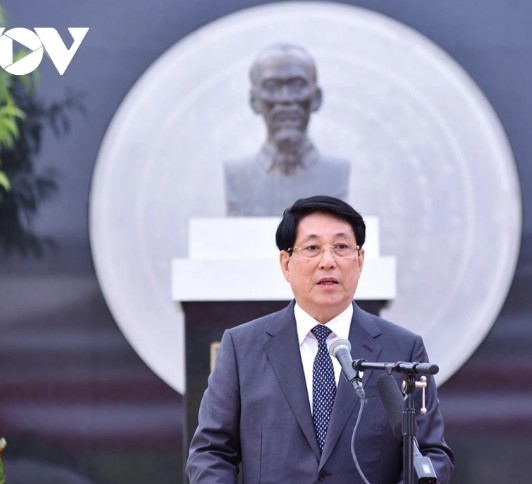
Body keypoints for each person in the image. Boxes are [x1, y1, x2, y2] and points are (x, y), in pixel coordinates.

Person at [186, 195, 453, 483]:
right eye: (312, 248)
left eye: (341, 247)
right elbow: (210, 453)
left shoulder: (402, 349)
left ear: (360, 260)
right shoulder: (242, 348)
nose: (328, 262)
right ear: (286, 263)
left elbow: (430, 454)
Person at [224, 44, 351, 216]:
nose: (285, 99)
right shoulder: (237, 176)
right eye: (271, 87)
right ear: (254, 101)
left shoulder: (336, 173)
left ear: (316, 98)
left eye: (297, 86)